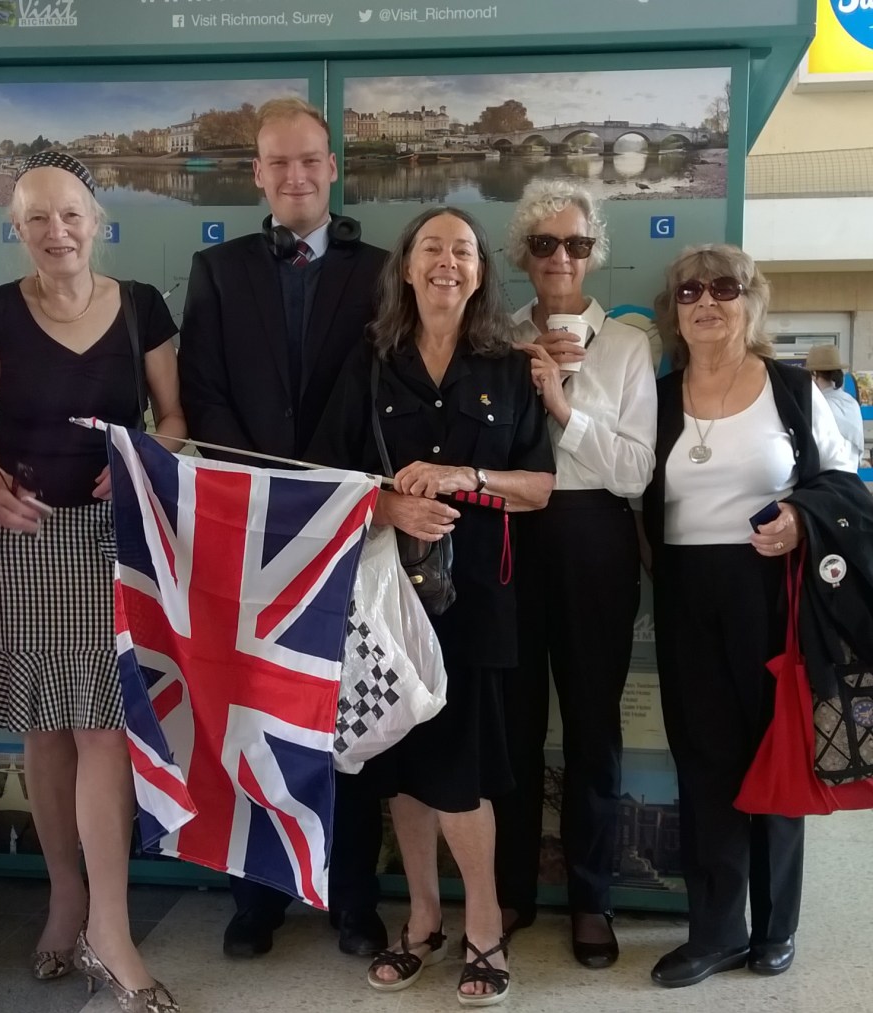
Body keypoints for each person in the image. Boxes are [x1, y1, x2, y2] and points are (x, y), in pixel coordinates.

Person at [0, 152, 184, 1013]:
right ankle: (65, 897)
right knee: (46, 727)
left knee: (104, 727)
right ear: (17, 228)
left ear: (99, 220)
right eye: (38, 219)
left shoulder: (144, 307)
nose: (57, 231)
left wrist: (143, 461)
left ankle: (111, 928)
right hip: (24, 538)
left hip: (114, 537)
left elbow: (176, 418)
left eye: (71, 215)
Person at [311, 206, 555, 1005]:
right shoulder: (371, 362)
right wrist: (388, 507)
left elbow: (540, 487)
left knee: (464, 771)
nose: (447, 262)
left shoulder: (510, 368)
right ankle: (421, 920)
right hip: (387, 599)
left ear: (481, 271)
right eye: (431, 249)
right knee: (403, 768)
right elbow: (328, 477)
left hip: (478, 598)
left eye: (462, 250)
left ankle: (483, 924)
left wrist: (464, 480)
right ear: (407, 268)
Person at [178, 96, 389, 960]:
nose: (296, 175)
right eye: (279, 162)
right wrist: (268, 487)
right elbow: (202, 389)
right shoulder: (216, 270)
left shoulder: (382, 269)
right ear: (257, 174)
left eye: (311, 160)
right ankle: (256, 897)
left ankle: (352, 900)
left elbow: (382, 385)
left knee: (348, 715)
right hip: (250, 523)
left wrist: (327, 489)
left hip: (346, 519)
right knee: (253, 712)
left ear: (332, 168)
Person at [643, 244, 851, 988]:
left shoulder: (792, 390)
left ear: (750, 302)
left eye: (724, 288)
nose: (706, 301)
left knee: (777, 755)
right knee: (705, 762)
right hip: (684, 592)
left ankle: (777, 926)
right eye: (691, 290)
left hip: (772, 591)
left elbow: (846, 482)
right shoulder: (658, 397)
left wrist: (801, 516)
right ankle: (716, 931)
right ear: (676, 310)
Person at [493, 180, 656, 967]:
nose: (563, 258)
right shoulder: (494, 337)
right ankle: (514, 889)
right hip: (513, 534)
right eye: (548, 243)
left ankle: (592, 897)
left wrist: (564, 405)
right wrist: (524, 378)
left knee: (593, 726)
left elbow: (632, 471)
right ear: (526, 252)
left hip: (596, 537)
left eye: (578, 244)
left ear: (594, 255)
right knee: (516, 719)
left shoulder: (629, 346)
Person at [804, 344, 864, 472]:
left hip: (828, 483)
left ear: (814, 375)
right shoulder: (851, 403)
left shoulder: (818, 406)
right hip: (852, 480)